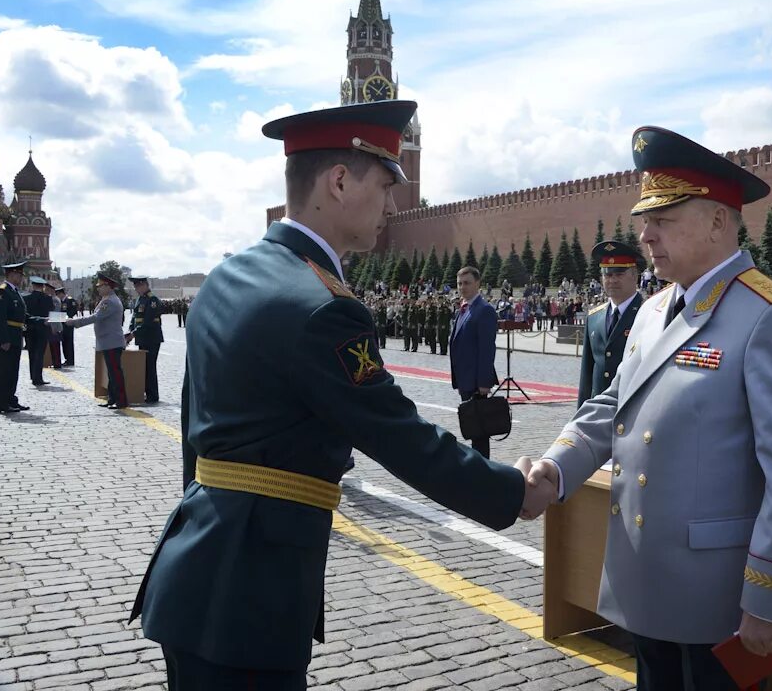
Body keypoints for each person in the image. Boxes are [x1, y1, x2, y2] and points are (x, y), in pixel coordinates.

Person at [128, 99, 553, 690]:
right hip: (253, 598)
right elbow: (398, 435)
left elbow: (194, 436)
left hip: (193, 568)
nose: (393, 203)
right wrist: (513, 492)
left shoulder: (228, 277)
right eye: (384, 183)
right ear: (338, 181)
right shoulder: (323, 306)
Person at [527, 126, 772, 690]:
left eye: (662, 220)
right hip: (647, 576)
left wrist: (771, 597)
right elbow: (612, 404)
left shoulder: (771, 317)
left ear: (719, 220)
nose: (645, 235)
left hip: (716, 592)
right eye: (644, 219)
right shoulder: (652, 311)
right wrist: (555, 468)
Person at [577, 240, 644, 406]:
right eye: (608, 274)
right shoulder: (594, 317)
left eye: (619, 274)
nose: (612, 280)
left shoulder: (649, 313)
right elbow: (587, 374)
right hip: (598, 410)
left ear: (634, 275)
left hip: (633, 407)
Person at [449, 266, 498, 458]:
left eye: (467, 283)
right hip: (465, 379)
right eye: (460, 283)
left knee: (479, 430)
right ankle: (479, 464)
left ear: (478, 283)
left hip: (476, 381)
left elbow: (487, 350)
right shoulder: (463, 308)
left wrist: (484, 383)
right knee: (472, 426)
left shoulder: (483, 310)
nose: (462, 287)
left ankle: (482, 467)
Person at [69, 274, 129, 409]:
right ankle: (112, 399)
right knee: (111, 373)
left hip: (112, 342)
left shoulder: (110, 301)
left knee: (115, 372)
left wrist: (75, 322)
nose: (98, 289)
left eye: (100, 286)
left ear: (108, 286)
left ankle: (121, 401)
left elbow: (96, 317)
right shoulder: (106, 299)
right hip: (108, 342)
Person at [0, 261, 35, 413]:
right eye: (18, 275)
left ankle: (11, 400)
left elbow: (22, 316)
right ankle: (1, 404)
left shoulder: (14, 292)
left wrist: (42, 320)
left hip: (16, 336)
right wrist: (3, 339)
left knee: (13, 371)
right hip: (7, 337)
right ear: (11, 275)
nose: (21, 278)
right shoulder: (2, 292)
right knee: (4, 371)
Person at [124, 276, 164, 404]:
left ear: (145, 285)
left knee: (150, 367)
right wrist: (130, 331)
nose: (136, 289)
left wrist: (133, 334)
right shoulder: (140, 299)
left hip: (152, 338)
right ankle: (147, 392)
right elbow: (135, 317)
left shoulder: (152, 300)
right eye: (135, 286)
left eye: (137, 286)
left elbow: (148, 322)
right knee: (144, 366)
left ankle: (153, 395)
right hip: (142, 338)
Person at [23, 276, 52, 386]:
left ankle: (32, 376)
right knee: (40, 353)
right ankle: (38, 377)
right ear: (43, 287)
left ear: (33, 286)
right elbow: (51, 313)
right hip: (43, 328)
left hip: (30, 329)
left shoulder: (26, 298)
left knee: (31, 352)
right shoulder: (48, 298)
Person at [57, 287, 78, 366]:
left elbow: (74, 310)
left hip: (68, 325)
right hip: (62, 325)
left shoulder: (70, 300)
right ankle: (66, 359)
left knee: (69, 343)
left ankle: (70, 360)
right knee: (64, 343)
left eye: (58, 294)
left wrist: (67, 317)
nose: (57, 296)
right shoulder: (61, 301)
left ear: (61, 293)